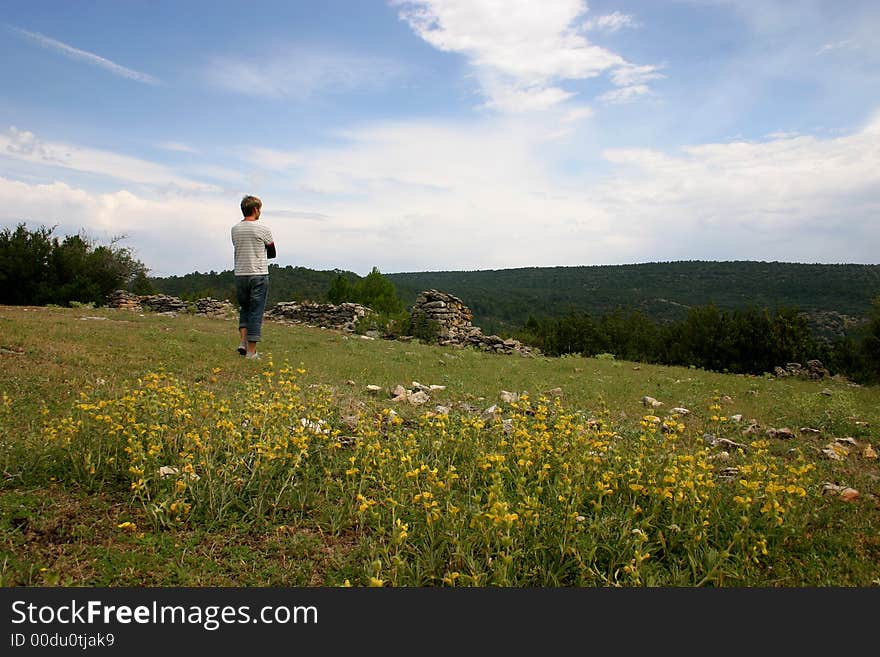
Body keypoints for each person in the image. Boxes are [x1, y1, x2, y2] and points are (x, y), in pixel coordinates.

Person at [231, 195, 276, 359]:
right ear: (255, 209)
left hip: (240, 273)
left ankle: (242, 342)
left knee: (245, 308)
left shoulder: (234, 229)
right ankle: (251, 352)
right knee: (256, 311)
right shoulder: (263, 229)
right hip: (258, 273)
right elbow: (272, 252)